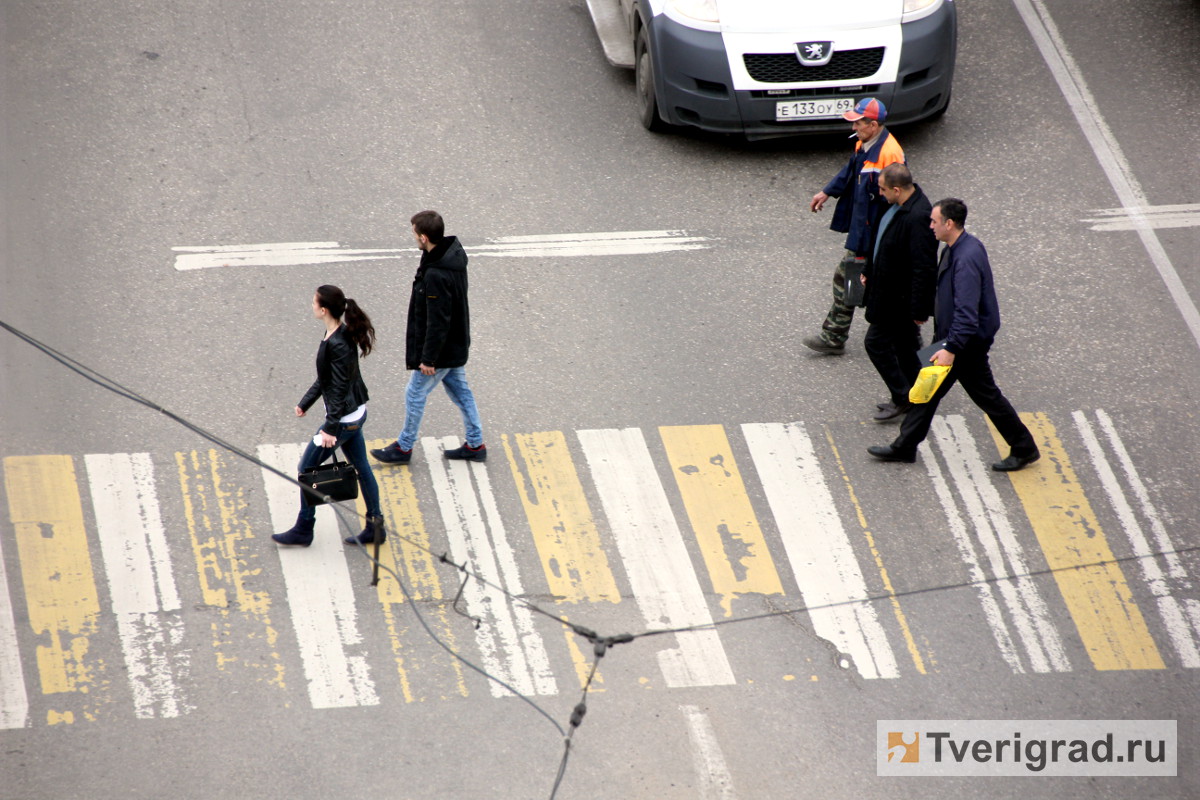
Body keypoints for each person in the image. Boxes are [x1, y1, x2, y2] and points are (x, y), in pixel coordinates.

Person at [867, 198, 1041, 471]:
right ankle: (904, 446)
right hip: (954, 339)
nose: (930, 226)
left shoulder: (965, 258)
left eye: (934, 221)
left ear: (949, 223)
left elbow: (967, 312)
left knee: (982, 396)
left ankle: (1023, 447)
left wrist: (951, 347)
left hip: (963, 344)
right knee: (928, 391)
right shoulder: (957, 248)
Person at [273, 285, 387, 547]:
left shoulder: (337, 343)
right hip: (355, 414)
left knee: (305, 470)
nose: (311, 305)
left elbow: (337, 390)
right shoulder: (338, 333)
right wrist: (306, 402)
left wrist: (330, 429)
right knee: (362, 468)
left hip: (343, 421)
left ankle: (304, 529)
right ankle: (375, 526)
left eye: (313, 302)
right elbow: (327, 379)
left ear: (324, 310)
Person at [371, 210, 487, 465]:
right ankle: (476, 444)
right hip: (455, 343)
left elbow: (438, 321)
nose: (412, 236)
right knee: (461, 391)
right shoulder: (449, 255)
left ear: (423, 237)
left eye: (413, 232)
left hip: (443, 350)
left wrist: (428, 359)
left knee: (414, 393)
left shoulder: (436, 274)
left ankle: (403, 448)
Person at [805, 97, 905, 355]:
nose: (853, 128)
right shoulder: (866, 143)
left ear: (873, 125)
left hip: (875, 234)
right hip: (866, 230)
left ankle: (836, 336)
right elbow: (851, 170)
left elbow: (896, 201)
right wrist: (827, 191)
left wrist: (878, 242)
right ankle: (837, 335)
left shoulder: (889, 155)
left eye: (857, 123)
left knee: (850, 277)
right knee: (854, 278)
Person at [862, 163, 937, 421]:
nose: (880, 194)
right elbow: (883, 242)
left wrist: (919, 309)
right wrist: (869, 271)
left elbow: (923, 267)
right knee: (906, 347)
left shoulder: (917, 217)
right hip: (888, 292)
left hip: (898, 300)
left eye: (883, 189)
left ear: (896, 189)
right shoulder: (898, 206)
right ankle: (920, 396)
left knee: (875, 344)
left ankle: (903, 397)